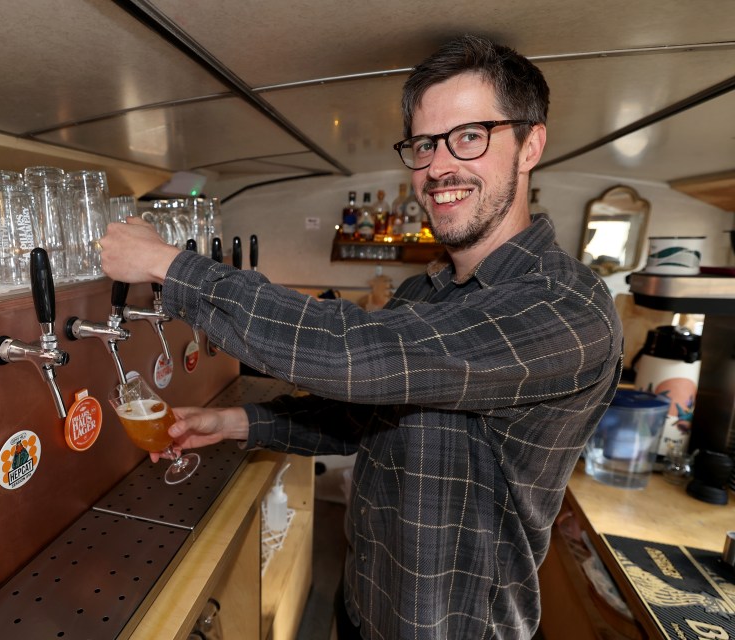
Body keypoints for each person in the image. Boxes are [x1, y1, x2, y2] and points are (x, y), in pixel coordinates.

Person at [99, 34, 623, 640]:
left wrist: (170, 266)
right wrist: (238, 423)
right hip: (362, 608)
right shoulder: (422, 294)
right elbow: (360, 416)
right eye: (424, 144)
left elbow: (356, 355)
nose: (439, 166)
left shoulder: (566, 306)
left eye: (470, 136)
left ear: (530, 144)